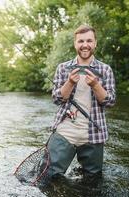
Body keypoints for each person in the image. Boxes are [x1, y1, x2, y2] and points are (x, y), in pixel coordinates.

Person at [47, 24, 116, 179]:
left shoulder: (105, 70)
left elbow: (110, 102)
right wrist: (70, 83)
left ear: (95, 43)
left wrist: (96, 85)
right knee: (50, 177)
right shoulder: (63, 68)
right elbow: (57, 99)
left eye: (89, 41)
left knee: (93, 180)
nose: (85, 45)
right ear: (75, 44)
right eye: (81, 41)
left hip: (94, 134)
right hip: (65, 131)